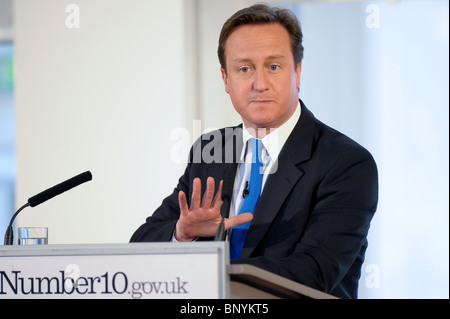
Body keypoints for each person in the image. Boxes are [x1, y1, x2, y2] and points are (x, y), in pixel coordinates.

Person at [130, 4, 378, 299]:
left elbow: (313, 273)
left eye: (273, 67)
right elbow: (140, 248)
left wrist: (203, 271)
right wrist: (183, 234)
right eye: (244, 69)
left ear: (297, 72)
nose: (259, 84)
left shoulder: (346, 163)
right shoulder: (212, 149)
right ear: (225, 79)